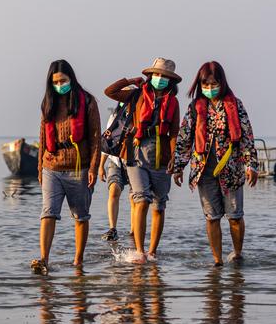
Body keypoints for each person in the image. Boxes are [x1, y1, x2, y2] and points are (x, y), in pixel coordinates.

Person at [172, 61, 258, 267]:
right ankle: (217, 260)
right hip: (204, 171)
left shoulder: (235, 105)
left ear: (222, 82)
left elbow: (247, 136)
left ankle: (237, 254)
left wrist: (251, 164)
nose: (210, 88)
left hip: (232, 169)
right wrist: (178, 167)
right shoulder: (195, 107)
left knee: (235, 216)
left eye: (214, 84)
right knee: (212, 217)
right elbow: (184, 138)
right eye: (206, 85)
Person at [105, 58, 181, 263]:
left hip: (162, 158)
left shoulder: (173, 102)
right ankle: (139, 250)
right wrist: (129, 80)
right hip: (135, 154)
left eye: (164, 76)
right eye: (156, 75)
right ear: (150, 76)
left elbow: (174, 133)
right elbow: (109, 92)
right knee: (141, 199)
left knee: (159, 204)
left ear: (171, 80)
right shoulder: (136, 94)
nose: (160, 79)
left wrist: (176, 159)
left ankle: (152, 251)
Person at [32, 60, 101, 275]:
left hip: (78, 168)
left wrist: (93, 168)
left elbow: (96, 138)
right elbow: (42, 137)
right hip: (51, 166)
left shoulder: (87, 102)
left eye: (63, 81)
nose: (59, 85)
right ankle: (44, 259)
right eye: (55, 82)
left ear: (71, 78)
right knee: (48, 213)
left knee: (80, 216)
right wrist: (39, 168)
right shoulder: (48, 103)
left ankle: (77, 261)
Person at [99, 105, 129, 242]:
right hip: (115, 161)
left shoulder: (140, 113)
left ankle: (134, 232)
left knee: (135, 198)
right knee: (113, 190)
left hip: (133, 161)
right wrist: (100, 166)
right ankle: (113, 228)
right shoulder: (114, 117)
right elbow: (107, 141)